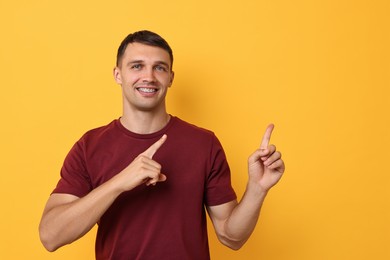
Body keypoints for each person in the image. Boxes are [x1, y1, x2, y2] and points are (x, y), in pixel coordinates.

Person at [39, 30, 285, 260]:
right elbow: (51, 236)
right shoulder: (89, 146)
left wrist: (257, 189)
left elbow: (232, 237)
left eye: (160, 68)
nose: (149, 76)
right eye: (137, 66)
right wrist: (119, 183)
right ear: (118, 74)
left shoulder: (204, 144)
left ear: (170, 78)